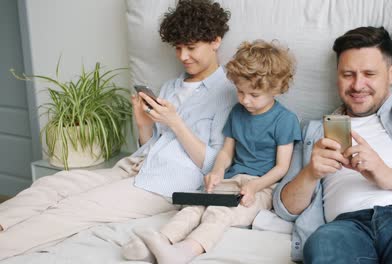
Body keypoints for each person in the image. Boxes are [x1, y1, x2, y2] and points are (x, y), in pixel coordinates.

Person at [0, 0, 237, 260]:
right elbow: (151, 146)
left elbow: (213, 165)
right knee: (55, 184)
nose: (183, 56)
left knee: (73, 208)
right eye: (178, 48)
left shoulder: (229, 93)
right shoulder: (172, 85)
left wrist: (176, 123)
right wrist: (143, 123)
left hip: (165, 183)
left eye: (191, 48)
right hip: (135, 167)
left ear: (215, 41)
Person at [273, 26, 392, 264]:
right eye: (348, 74)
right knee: (322, 245)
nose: (357, 85)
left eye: (369, 74)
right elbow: (285, 208)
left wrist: (387, 176)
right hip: (344, 229)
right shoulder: (313, 131)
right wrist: (311, 173)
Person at [122, 40, 302, 264]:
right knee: (193, 206)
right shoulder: (238, 112)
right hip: (231, 179)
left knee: (218, 212)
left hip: (262, 187)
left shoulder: (285, 120)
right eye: (240, 92)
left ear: (277, 88)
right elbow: (226, 152)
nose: (245, 100)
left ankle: (184, 252)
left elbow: (282, 167)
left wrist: (254, 187)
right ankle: (159, 242)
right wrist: (216, 172)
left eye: (254, 95)